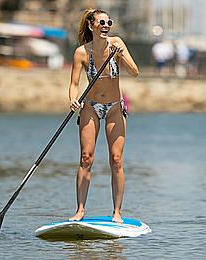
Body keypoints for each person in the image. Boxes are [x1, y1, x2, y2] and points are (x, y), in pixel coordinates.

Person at [68, 9, 139, 223]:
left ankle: (117, 212)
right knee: (86, 158)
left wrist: (122, 54)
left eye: (109, 22)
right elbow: (73, 84)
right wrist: (73, 100)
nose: (106, 25)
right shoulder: (82, 52)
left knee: (116, 160)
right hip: (90, 106)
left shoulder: (117, 44)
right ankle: (80, 210)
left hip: (115, 107)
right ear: (92, 26)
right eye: (101, 22)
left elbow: (134, 71)